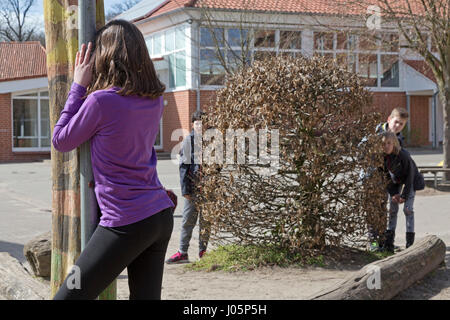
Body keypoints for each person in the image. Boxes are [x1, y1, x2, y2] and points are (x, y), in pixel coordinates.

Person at [52, 20, 175, 300]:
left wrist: (77, 86)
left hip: (125, 222)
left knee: (66, 297)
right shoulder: (154, 99)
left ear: (105, 57)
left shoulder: (100, 102)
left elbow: (61, 140)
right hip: (159, 216)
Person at [166, 111, 210, 264]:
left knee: (206, 221)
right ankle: (183, 252)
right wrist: (185, 190)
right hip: (193, 188)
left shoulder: (211, 141)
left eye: (202, 123)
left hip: (208, 188)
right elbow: (184, 167)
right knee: (187, 221)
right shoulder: (188, 141)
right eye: (197, 123)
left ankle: (202, 251)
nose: (200, 126)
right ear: (192, 124)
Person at [380, 132, 423, 253]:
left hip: (410, 180)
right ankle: (389, 243)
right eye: (383, 144)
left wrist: (404, 195)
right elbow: (385, 177)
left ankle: (410, 244)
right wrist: (394, 193)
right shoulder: (381, 157)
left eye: (389, 143)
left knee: (407, 209)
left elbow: (410, 176)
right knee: (392, 210)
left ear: (394, 143)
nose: (386, 146)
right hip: (395, 182)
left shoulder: (403, 156)